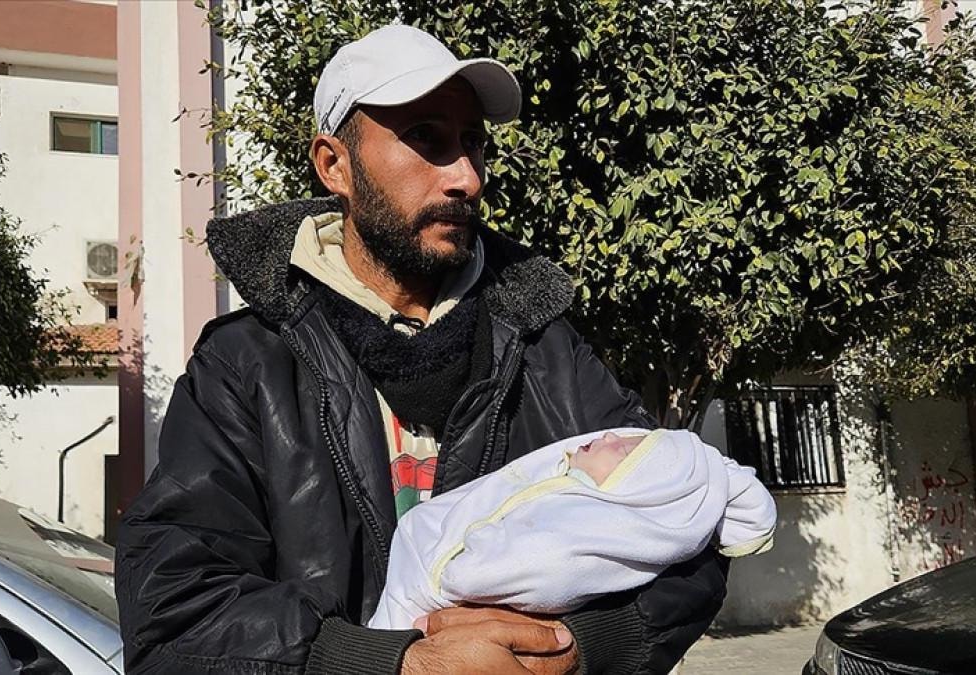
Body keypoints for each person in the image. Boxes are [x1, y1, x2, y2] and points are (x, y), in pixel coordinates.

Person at [115, 24, 731, 675]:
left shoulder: (549, 353)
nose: (465, 177)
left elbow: (695, 524)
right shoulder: (245, 365)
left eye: (472, 143)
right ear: (334, 165)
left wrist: (576, 646)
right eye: (427, 139)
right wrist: (390, 663)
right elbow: (175, 612)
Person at [368, 428, 777, 630]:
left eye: (628, 449)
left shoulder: (591, 535)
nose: (611, 434)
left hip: (419, 603)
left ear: (641, 490)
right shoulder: (568, 487)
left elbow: (478, 573)